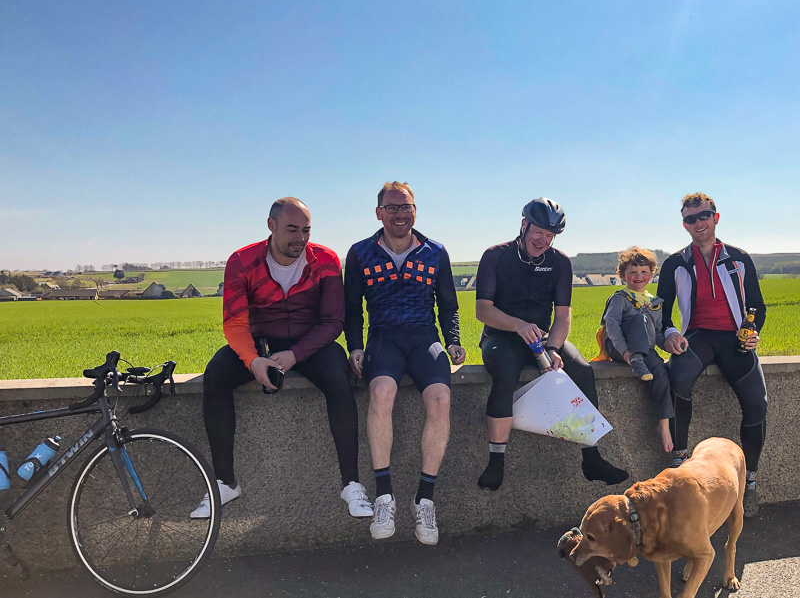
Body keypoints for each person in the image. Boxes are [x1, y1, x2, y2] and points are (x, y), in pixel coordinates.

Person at [190, 197, 372, 520]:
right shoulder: (241, 262)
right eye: (292, 229)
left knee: (338, 376)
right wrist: (253, 361)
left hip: (310, 343)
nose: (300, 239)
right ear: (271, 225)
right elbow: (234, 323)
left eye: (306, 230)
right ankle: (224, 483)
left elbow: (333, 322)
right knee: (215, 374)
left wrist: (295, 354)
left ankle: (351, 484)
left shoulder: (327, 260)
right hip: (260, 343)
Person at [475, 197, 629, 492]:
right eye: (538, 232)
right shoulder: (495, 256)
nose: (543, 240)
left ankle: (592, 458)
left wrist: (554, 349)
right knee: (505, 372)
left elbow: (563, 316)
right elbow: (483, 310)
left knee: (582, 370)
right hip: (501, 335)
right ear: (523, 225)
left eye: (550, 235)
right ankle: (496, 461)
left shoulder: (560, 262)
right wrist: (518, 325)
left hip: (542, 338)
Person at [344, 181, 466, 546]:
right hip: (383, 337)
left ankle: (423, 500)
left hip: (424, 338)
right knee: (381, 392)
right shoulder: (360, 253)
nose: (400, 214)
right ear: (379, 212)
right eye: (393, 208)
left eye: (406, 207)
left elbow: (448, 304)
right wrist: (354, 346)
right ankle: (385, 497)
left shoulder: (435, 252)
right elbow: (352, 308)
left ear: (416, 211)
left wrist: (454, 340)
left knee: (441, 400)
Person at [657, 192, 767, 517]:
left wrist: (753, 331)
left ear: (715, 217)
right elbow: (662, 312)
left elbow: (758, 305)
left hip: (734, 339)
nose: (698, 223)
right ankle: (679, 464)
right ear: (684, 225)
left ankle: (749, 482)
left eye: (704, 215)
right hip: (698, 337)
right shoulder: (675, 263)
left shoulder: (739, 258)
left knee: (758, 403)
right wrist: (670, 334)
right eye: (691, 219)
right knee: (676, 376)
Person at [596, 246, 673, 452]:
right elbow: (611, 326)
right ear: (623, 275)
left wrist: (669, 345)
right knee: (639, 318)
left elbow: (656, 334)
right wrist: (626, 353)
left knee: (662, 374)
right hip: (620, 348)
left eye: (644, 272)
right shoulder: (620, 298)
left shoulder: (655, 302)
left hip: (645, 351)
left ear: (651, 274)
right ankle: (638, 360)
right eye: (632, 272)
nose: (638, 276)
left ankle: (663, 425)